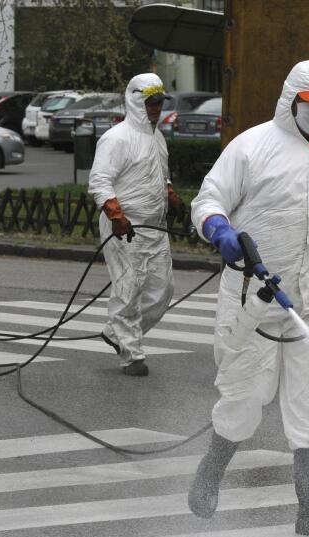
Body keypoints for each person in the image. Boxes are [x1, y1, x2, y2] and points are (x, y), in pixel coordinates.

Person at [186, 60, 309, 537]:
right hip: (255, 301)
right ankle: (209, 475)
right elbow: (208, 201)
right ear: (292, 101)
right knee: (245, 395)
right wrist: (220, 231)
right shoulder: (252, 147)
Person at [88, 72, 184, 377]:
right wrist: (117, 216)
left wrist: (171, 196)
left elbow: (160, 175)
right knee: (128, 288)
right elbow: (100, 181)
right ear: (135, 100)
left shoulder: (157, 138)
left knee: (162, 291)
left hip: (155, 228)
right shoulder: (116, 138)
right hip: (125, 228)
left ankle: (117, 331)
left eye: (159, 102)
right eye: (151, 102)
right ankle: (131, 353)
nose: (156, 108)